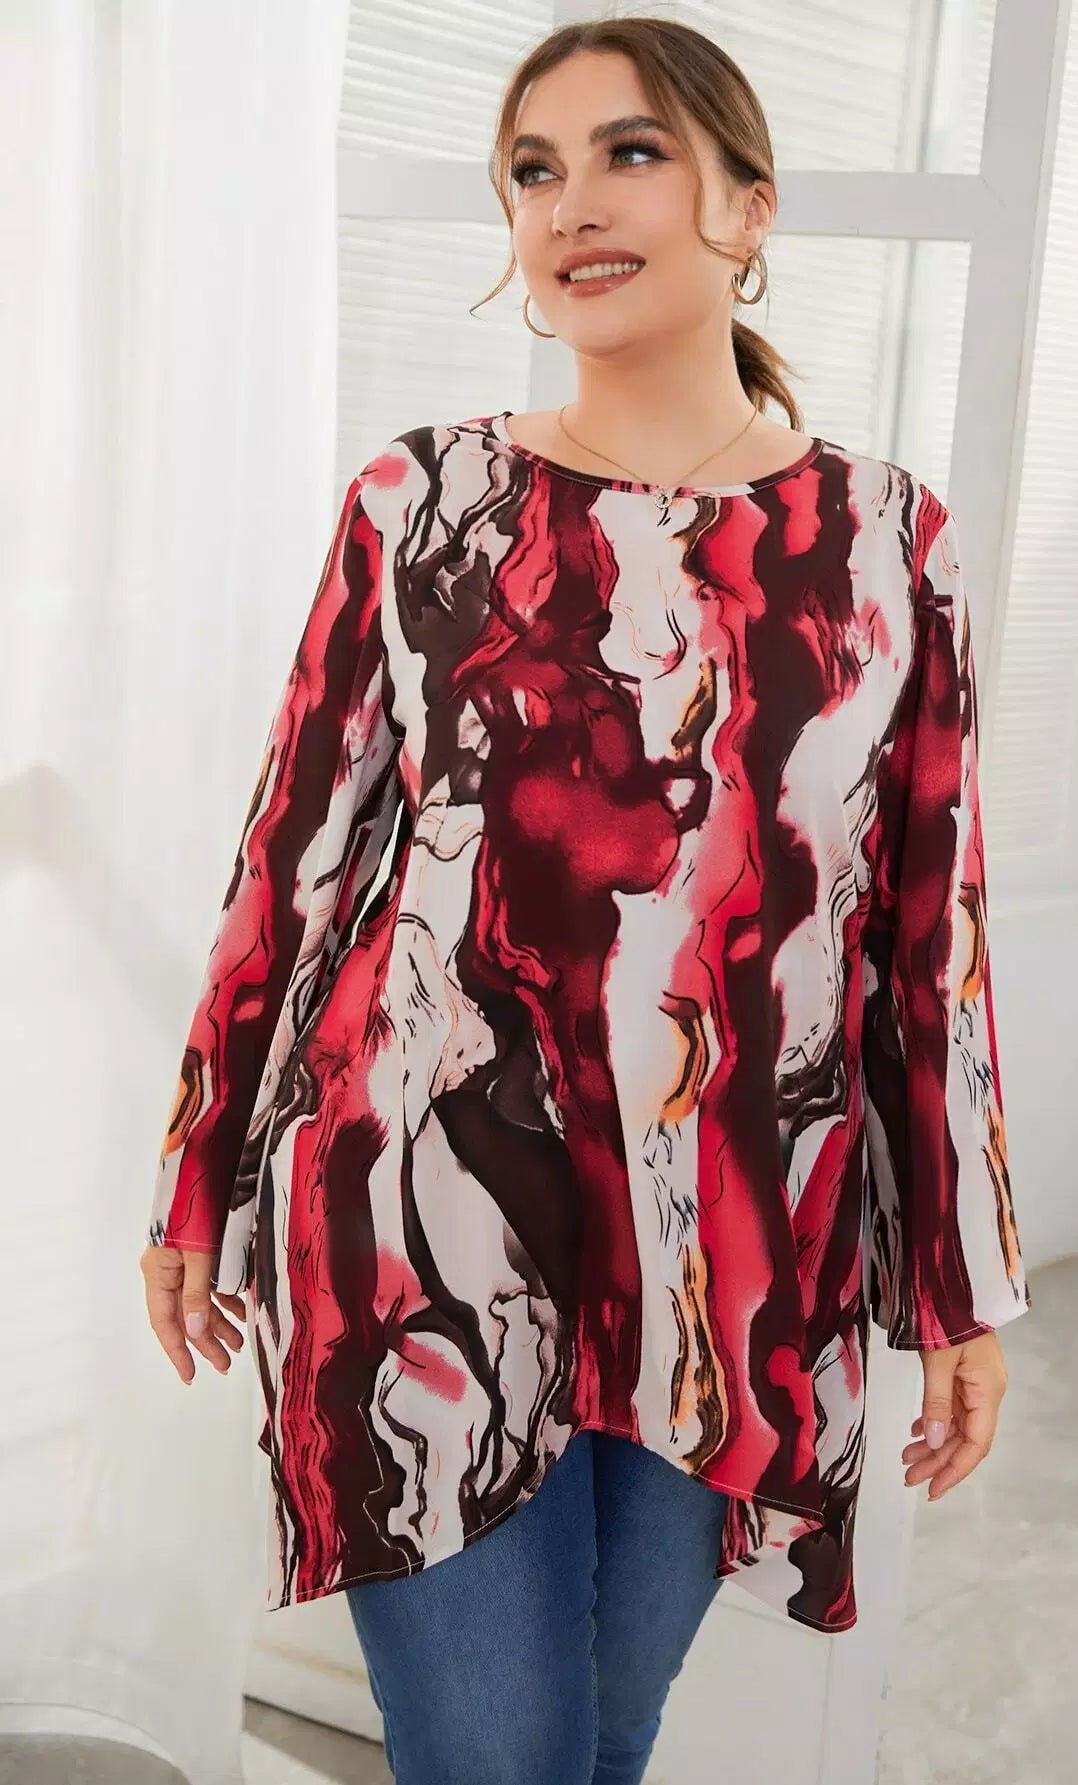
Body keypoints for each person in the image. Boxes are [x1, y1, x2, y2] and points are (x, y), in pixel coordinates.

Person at [139, 15, 1031, 1785]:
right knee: (503, 1759)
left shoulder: (887, 543)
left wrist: (958, 1283)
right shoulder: (423, 503)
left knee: (599, 1751)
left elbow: (927, 944)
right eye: (534, 171)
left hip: (732, 1253)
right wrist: (198, 1162)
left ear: (747, 204)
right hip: (421, 1226)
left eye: (631, 153)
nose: (572, 204)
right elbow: (292, 859)